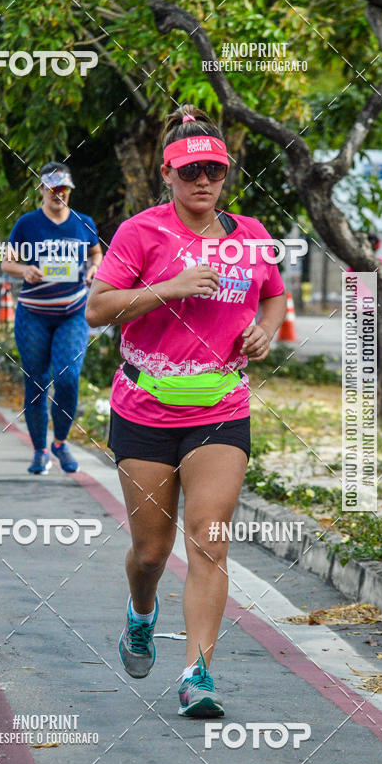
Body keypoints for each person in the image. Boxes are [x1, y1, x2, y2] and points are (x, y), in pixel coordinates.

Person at [86, 105, 287, 718]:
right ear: (167, 175)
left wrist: (266, 331)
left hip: (221, 407)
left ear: (226, 177)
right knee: (151, 553)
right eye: (191, 170)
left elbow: (275, 296)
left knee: (209, 540)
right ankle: (141, 614)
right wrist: (168, 289)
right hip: (145, 406)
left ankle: (199, 673)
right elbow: (98, 309)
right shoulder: (140, 233)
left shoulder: (251, 235)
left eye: (215, 171)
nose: (204, 181)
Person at [1, 162, 102, 475]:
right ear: (41, 190)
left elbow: (95, 253)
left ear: (70, 190)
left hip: (73, 313)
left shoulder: (83, 223)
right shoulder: (27, 224)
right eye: (52, 189)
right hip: (33, 314)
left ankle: (60, 441)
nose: (58, 195)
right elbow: (8, 262)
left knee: (68, 378)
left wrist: (93, 268)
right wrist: (24, 270)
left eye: (64, 189)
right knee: (36, 382)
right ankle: (39, 451)